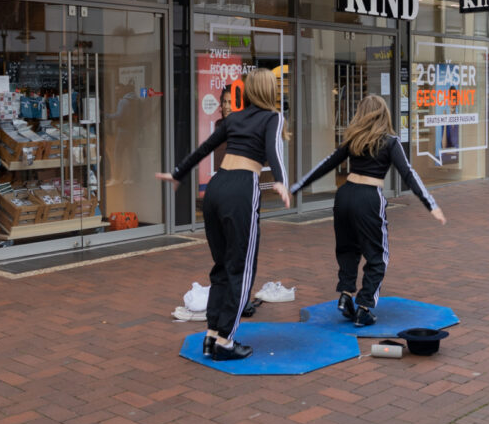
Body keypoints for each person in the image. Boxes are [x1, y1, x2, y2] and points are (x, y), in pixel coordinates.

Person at [157, 68, 289, 361]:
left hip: (216, 187)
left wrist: (178, 173)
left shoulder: (234, 118)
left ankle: (211, 335)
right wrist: (280, 181)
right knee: (240, 268)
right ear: (270, 91)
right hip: (241, 188)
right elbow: (274, 149)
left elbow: (204, 148)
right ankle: (225, 342)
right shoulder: (273, 117)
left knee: (222, 266)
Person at [289, 94, 446, 327]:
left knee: (348, 249)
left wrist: (297, 186)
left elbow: (327, 164)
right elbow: (408, 173)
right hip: (369, 198)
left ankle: (345, 294)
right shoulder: (390, 142)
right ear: (384, 115)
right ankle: (364, 307)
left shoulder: (353, 139)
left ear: (361, 114)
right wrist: (431, 204)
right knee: (378, 256)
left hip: (345, 196)